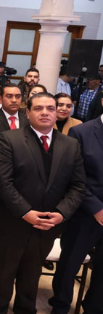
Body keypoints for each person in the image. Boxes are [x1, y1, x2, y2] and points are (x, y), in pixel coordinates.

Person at [0, 93, 86, 314]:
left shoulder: (71, 145)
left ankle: (25, 309)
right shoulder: (9, 139)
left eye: (50, 108)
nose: (45, 113)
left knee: (32, 274)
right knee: (3, 274)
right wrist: (26, 212)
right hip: (13, 220)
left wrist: (62, 213)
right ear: (28, 112)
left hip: (49, 223)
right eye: (39, 108)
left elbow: (78, 186)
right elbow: (2, 182)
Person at [50, 98, 103, 314]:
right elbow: (73, 176)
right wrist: (96, 208)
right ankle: (60, 307)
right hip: (85, 212)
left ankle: (94, 308)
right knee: (69, 264)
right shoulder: (81, 132)